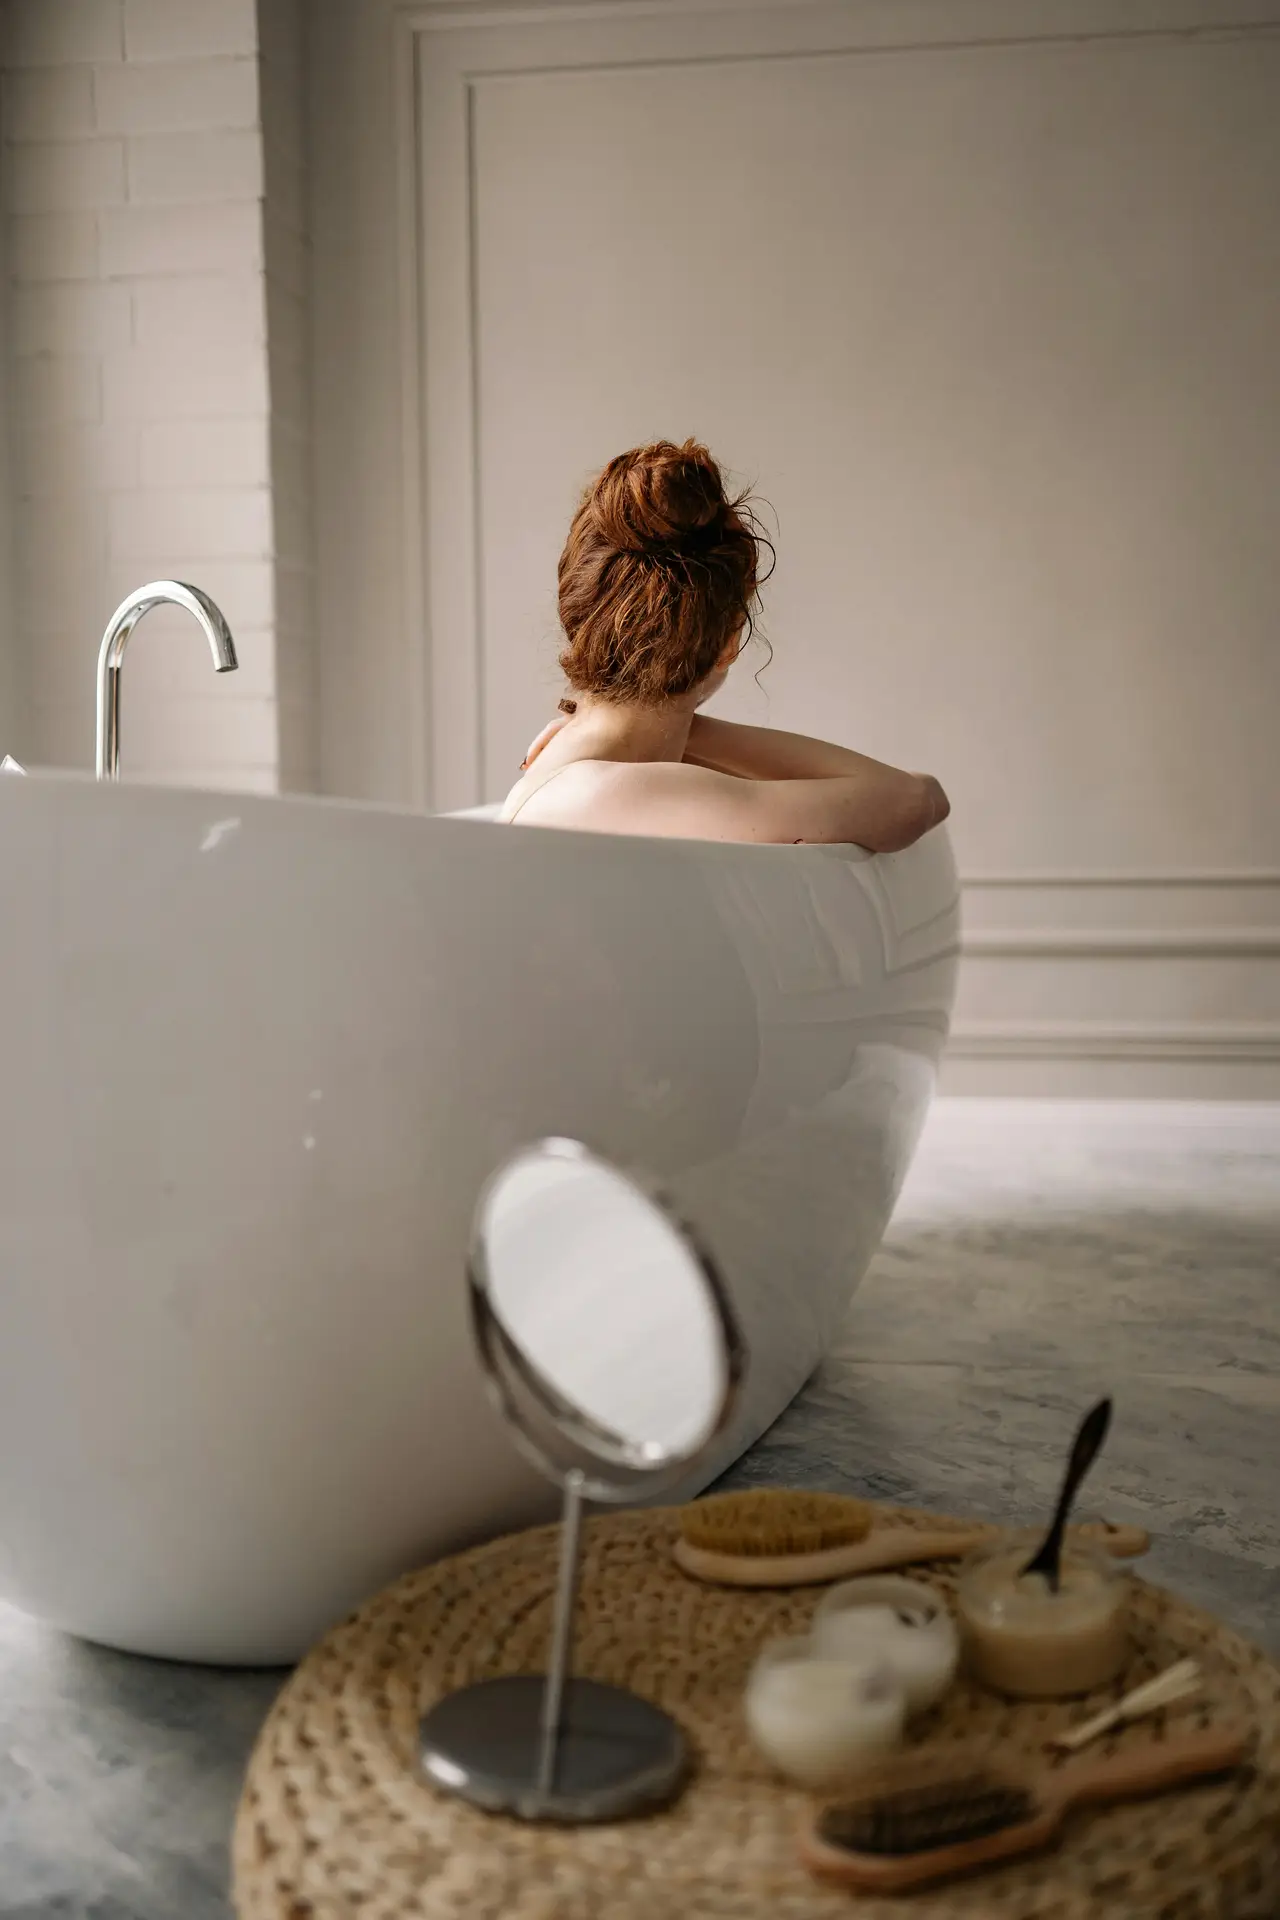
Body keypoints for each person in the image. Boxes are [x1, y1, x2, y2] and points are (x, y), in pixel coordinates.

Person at [499, 439, 949, 849]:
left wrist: (663, 723)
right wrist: (680, 724)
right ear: (729, 641)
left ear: (574, 610)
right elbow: (915, 799)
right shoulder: (612, 791)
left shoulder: (582, 777)